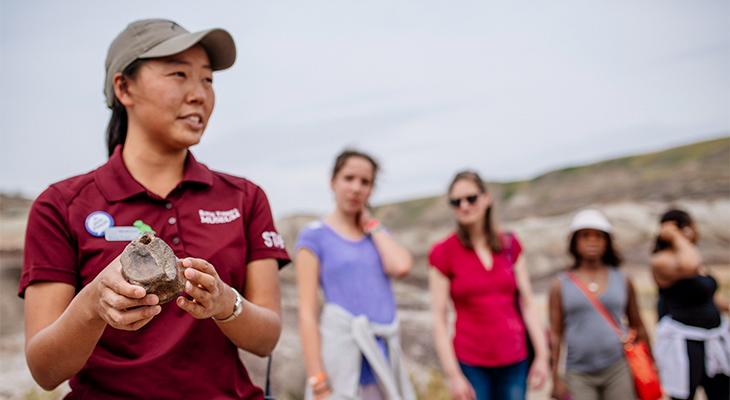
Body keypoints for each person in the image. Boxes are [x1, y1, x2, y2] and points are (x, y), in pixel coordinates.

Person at [18, 19, 290, 399]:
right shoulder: (60, 205)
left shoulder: (244, 198)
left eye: (208, 80)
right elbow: (45, 370)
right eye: (179, 74)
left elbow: (267, 339)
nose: (200, 94)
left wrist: (224, 301)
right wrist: (94, 304)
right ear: (124, 87)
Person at [295, 149, 416, 400]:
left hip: (381, 356)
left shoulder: (375, 235)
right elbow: (307, 311)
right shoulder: (314, 236)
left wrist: (372, 225)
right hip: (343, 357)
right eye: (349, 178)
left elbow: (401, 266)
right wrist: (317, 378)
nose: (356, 188)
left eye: (365, 182)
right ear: (333, 181)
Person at [428, 170, 549, 400]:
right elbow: (439, 318)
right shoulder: (442, 253)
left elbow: (527, 303)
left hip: (515, 358)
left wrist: (542, 356)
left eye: (471, 198)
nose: (464, 206)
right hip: (471, 363)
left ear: (486, 198)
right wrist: (453, 375)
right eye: (456, 202)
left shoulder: (510, 245)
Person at [548, 209, 649, 400]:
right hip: (578, 373)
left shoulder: (623, 280)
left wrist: (650, 366)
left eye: (599, 236)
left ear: (607, 242)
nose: (592, 241)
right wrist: (555, 378)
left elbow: (638, 324)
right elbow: (555, 335)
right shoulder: (560, 285)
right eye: (585, 236)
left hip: (618, 368)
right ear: (575, 241)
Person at [650, 209, 730, 400]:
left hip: (713, 337)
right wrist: (676, 236)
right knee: (684, 395)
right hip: (685, 341)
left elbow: (709, 295)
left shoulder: (694, 258)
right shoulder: (662, 260)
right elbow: (689, 265)